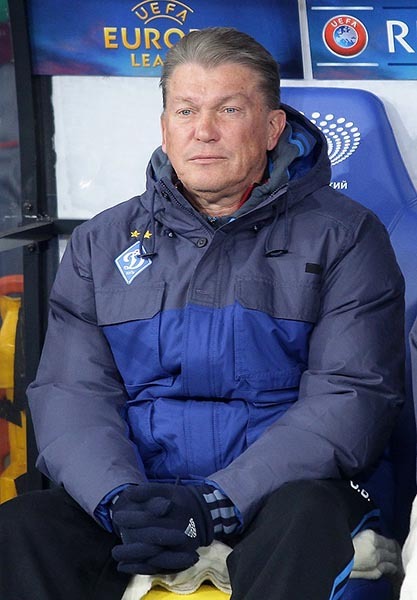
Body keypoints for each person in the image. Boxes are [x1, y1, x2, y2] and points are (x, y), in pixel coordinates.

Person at [0, 27, 405, 600]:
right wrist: (120, 502)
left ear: (272, 128)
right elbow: (72, 393)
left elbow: (351, 397)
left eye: (228, 109)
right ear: (165, 126)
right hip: (142, 500)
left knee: (307, 516)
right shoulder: (101, 242)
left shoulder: (347, 236)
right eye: (185, 110)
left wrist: (216, 502)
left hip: (278, 500)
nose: (204, 131)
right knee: (21, 528)